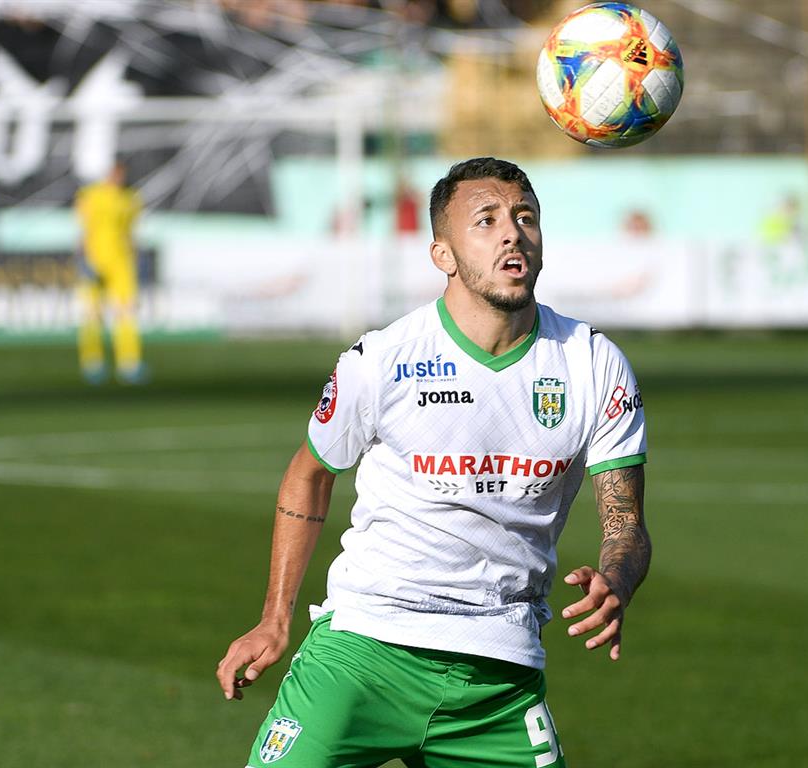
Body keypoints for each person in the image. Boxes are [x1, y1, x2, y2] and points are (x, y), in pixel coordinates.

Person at [216, 157, 651, 767]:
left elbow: (626, 524)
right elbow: (309, 475)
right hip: (362, 653)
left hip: (498, 681)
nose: (512, 232)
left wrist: (617, 580)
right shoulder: (382, 360)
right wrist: (274, 618)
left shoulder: (593, 363)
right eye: (487, 220)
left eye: (525, 217)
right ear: (442, 254)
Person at [74, 160, 146, 384]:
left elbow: (131, 233)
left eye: (121, 174)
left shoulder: (131, 199)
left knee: (126, 312)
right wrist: (83, 259)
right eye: (115, 173)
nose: (118, 178)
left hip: (121, 262)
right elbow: (83, 231)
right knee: (92, 314)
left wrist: (136, 258)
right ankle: (92, 363)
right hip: (95, 260)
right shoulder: (91, 195)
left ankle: (129, 363)